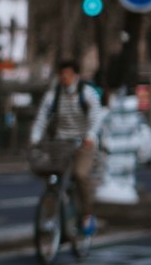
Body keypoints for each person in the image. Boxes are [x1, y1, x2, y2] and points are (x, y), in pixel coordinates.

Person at [29, 58, 104, 233]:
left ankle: (87, 215)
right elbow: (41, 119)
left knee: (79, 175)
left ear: (76, 76)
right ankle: (50, 216)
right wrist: (34, 138)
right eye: (62, 75)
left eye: (68, 75)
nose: (65, 79)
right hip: (61, 143)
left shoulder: (87, 94)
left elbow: (96, 117)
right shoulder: (53, 95)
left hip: (83, 143)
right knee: (51, 179)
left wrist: (90, 136)